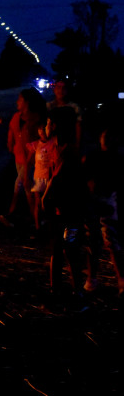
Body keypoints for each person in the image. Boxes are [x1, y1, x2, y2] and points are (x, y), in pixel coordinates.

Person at [41, 106, 89, 305]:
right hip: (61, 209)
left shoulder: (67, 150)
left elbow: (56, 179)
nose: (46, 126)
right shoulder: (57, 146)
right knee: (58, 248)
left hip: (71, 210)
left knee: (70, 247)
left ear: (57, 125)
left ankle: (77, 291)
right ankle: (56, 290)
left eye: (49, 123)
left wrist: (45, 198)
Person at [82, 127, 123, 296]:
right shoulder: (97, 157)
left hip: (105, 202)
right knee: (101, 243)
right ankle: (96, 279)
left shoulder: (112, 158)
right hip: (99, 202)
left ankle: (114, 280)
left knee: (106, 242)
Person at [0, 88, 45, 229]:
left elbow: (39, 141)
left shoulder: (36, 119)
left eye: (20, 99)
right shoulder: (17, 117)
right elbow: (12, 131)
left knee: (21, 184)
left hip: (31, 160)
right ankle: (36, 218)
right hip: (18, 157)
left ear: (27, 102)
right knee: (27, 188)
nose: (17, 101)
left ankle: (13, 215)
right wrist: (10, 143)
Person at [47, 78, 82, 150]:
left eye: (64, 88)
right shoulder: (49, 107)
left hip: (69, 146)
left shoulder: (75, 107)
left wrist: (77, 145)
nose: (61, 90)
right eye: (58, 87)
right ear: (54, 90)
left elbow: (78, 126)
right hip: (52, 147)